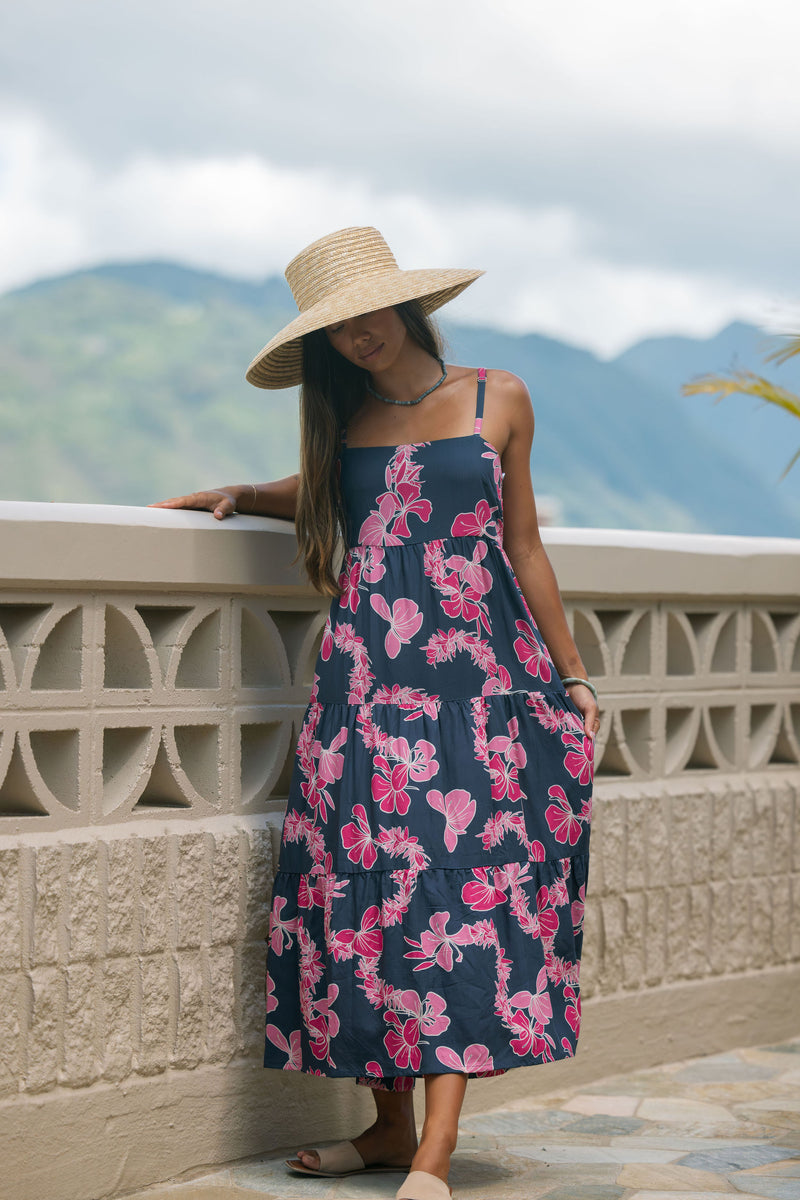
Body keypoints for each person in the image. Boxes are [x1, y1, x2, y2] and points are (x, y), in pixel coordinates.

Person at [153, 227, 599, 1200]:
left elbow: (522, 545)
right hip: (364, 697)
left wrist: (570, 675)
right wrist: (245, 495)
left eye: (368, 315)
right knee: (362, 904)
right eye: (337, 329)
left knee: (458, 901)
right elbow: (332, 496)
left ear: (407, 305)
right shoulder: (339, 421)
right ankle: (388, 1127)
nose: (358, 337)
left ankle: (433, 1156)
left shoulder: (497, 397)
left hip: (484, 695)